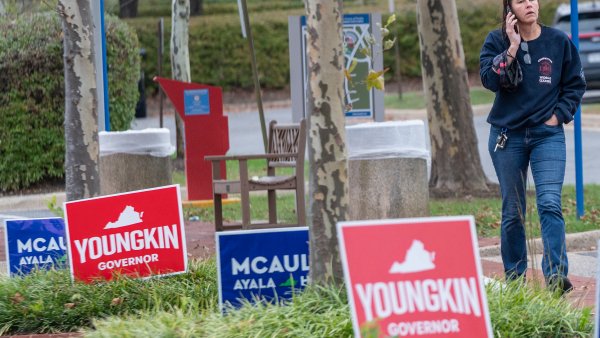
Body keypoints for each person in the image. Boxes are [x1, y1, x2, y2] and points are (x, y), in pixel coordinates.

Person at [479, 0, 586, 294]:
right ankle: (515, 280)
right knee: (513, 210)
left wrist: (558, 115)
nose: (530, 4)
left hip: (546, 136)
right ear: (510, 7)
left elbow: (575, 84)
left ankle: (555, 277)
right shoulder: (496, 40)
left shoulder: (558, 41)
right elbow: (490, 79)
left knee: (550, 202)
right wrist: (512, 46)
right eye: (521, 0)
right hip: (506, 137)